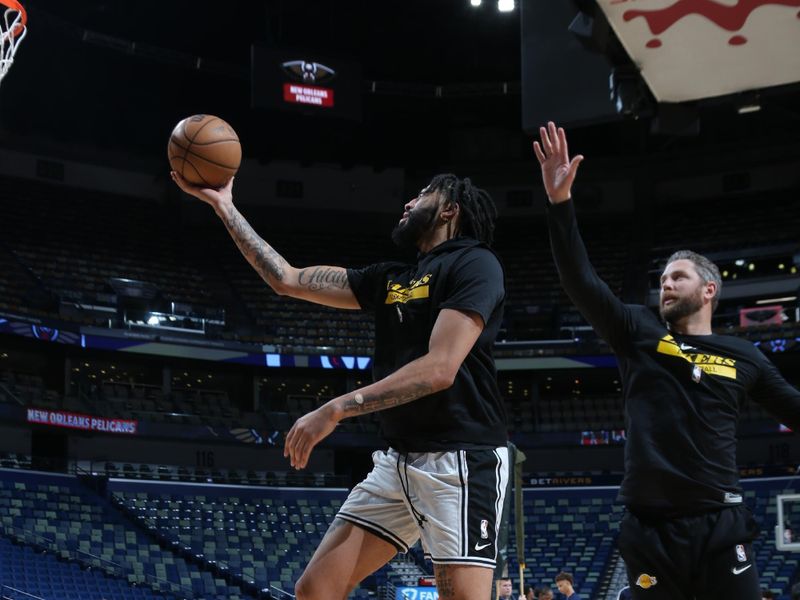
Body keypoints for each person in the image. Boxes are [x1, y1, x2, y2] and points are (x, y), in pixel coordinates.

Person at [171, 171, 508, 600]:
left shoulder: (475, 263)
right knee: (316, 589)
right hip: (399, 461)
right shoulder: (392, 279)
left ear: (449, 209)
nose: (407, 203)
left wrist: (337, 408)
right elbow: (286, 279)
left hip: (460, 460)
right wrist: (225, 206)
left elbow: (439, 368)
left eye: (422, 193)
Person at [533, 121, 800, 600]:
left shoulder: (745, 355)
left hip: (721, 523)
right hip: (650, 528)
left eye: (678, 277)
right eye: (662, 279)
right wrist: (560, 205)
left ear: (709, 290)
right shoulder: (636, 328)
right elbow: (581, 282)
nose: (666, 284)